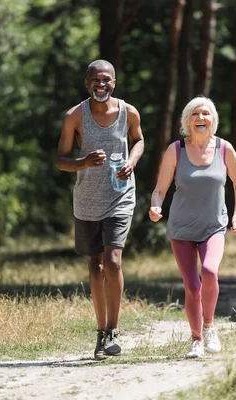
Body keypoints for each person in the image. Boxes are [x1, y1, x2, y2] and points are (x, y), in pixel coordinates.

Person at [56, 59, 145, 360]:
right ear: (87, 83)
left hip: (120, 196)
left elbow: (140, 140)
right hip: (87, 200)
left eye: (106, 79)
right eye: (95, 80)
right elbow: (60, 160)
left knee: (113, 261)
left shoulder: (128, 112)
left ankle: (114, 331)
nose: (101, 84)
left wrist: (132, 162)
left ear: (114, 83)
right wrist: (83, 163)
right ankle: (100, 332)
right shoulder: (74, 116)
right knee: (95, 267)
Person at [149, 96, 236, 358]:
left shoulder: (224, 149)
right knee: (192, 286)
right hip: (181, 229)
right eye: (194, 114)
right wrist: (156, 207)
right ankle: (196, 339)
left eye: (205, 114)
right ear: (186, 121)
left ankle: (210, 326)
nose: (200, 118)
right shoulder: (176, 150)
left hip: (214, 226)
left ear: (213, 120)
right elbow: (159, 189)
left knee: (210, 271)